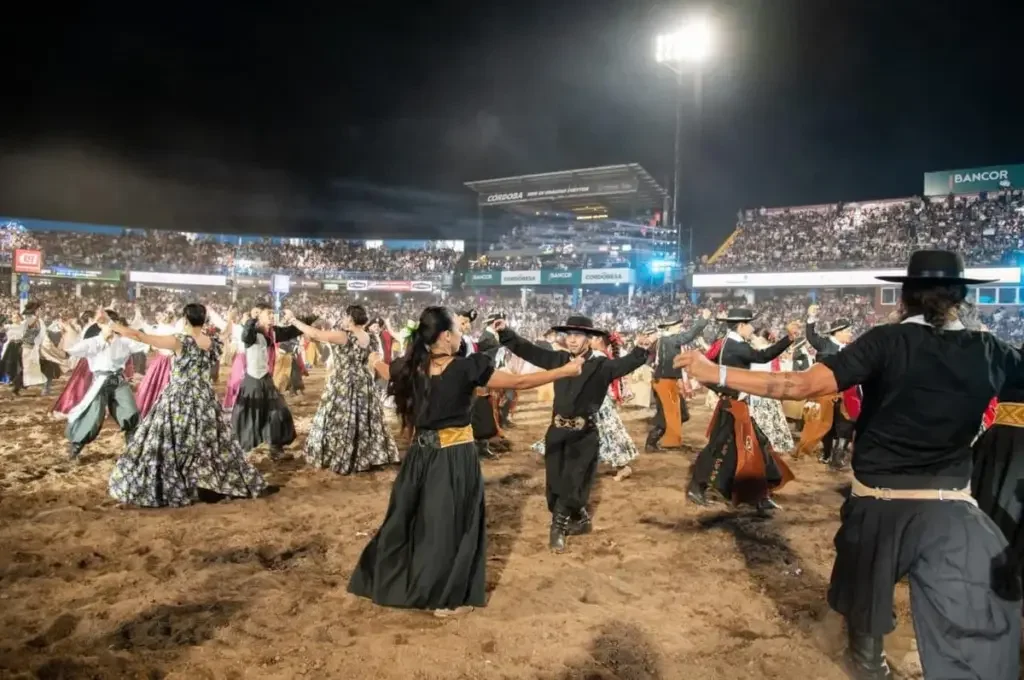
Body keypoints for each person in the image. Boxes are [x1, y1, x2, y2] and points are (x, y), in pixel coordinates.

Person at [675, 250, 1023, 680]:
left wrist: (717, 373)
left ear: (905, 296)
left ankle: (871, 663)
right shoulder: (989, 350)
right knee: (968, 628)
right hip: (952, 507)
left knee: (866, 603)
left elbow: (800, 385)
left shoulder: (886, 341)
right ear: (960, 298)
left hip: (880, 504)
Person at [348, 306, 580, 614]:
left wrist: (374, 360)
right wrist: (564, 371)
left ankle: (402, 579)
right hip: (453, 457)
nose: (460, 336)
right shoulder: (465, 368)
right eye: (457, 331)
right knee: (451, 524)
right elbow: (518, 383)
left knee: (414, 519)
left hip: (419, 457)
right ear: (446, 336)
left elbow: (387, 371)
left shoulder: (411, 366)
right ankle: (445, 597)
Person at [496, 315, 656, 552]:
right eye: (569, 335)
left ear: (589, 339)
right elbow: (528, 350)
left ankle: (558, 528)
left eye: (578, 335)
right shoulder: (558, 359)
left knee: (572, 482)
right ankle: (581, 519)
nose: (571, 340)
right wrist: (505, 332)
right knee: (554, 484)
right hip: (556, 433)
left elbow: (626, 364)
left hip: (584, 436)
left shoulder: (601, 365)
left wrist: (641, 348)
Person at [107, 304, 267, 506]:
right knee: (208, 441)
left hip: (179, 397)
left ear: (185, 319)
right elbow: (226, 333)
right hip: (204, 398)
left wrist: (113, 325)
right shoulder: (211, 341)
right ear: (204, 319)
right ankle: (205, 481)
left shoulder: (179, 341)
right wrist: (229, 319)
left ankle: (177, 481)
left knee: (170, 439)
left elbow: (141, 336)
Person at [685, 309, 798, 514]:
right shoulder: (736, 346)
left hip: (734, 404)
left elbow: (710, 372)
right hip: (734, 407)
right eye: (750, 324)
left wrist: (722, 390)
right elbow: (763, 356)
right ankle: (698, 487)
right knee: (720, 448)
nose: (753, 328)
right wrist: (788, 338)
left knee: (757, 445)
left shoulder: (725, 343)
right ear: (741, 325)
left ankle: (760, 495)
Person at [290, 305, 401, 475]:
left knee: (340, 419)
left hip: (343, 383)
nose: (343, 319)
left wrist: (294, 320)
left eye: (344, 316)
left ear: (350, 318)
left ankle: (341, 455)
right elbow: (374, 361)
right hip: (364, 383)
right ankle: (367, 456)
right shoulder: (371, 338)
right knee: (364, 420)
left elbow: (316, 334)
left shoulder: (344, 336)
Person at [62, 310, 147, 461]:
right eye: (105, 323)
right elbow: (71, 350)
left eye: (112, 323)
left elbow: (145, 345)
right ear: (100, 325)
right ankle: (75, 448)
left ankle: (133, 447)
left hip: (118, 380)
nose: (109, 326)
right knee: (92, 415)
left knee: (130, 411)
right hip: (100, 381)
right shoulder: (93, 342)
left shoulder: (124, 341)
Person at [232, 303, 303, 458]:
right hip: (253, 381)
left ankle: (275, 448)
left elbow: (293, 331)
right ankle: (245, 452)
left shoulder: (272, 333)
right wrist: (252, 319)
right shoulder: (253, 332)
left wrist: (301, 319)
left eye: (272, 313)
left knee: (278, 411)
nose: (272, 316)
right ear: (260, 315)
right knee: (251, 416)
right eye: (268, 313)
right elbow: (246, 336)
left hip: (266, 379)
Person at [795, 306, 856, 467]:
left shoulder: (851, 349)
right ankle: (827, 452)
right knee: (824, 424)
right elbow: (811, 335)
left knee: (844, 423)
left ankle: (838, 454)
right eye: (848, 331)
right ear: (838, 332)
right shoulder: (824, 344)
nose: (851, 334)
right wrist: (811, 317)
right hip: (824, 393)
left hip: (844, 393)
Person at [646, 310, 712, 452]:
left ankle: (669, 440)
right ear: (670, 327)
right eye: (677, 325)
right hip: (665, 381)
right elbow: (689, 335)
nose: (679, 327)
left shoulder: (663, 340)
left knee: (681, 414)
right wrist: (703, 319)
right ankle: (656, 442)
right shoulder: (670, 340)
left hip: (666, 380)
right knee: (669, 415)